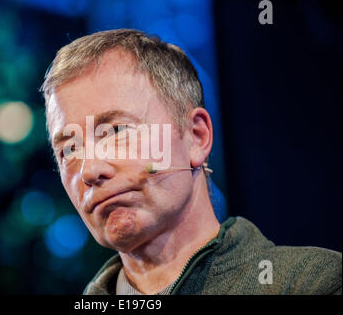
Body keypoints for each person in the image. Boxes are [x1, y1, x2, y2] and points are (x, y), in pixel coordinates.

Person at [40, 29, 342, 295]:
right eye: (69, 149)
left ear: (196, 137)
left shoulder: (316, 284)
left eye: (116, 131)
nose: (90, 170)